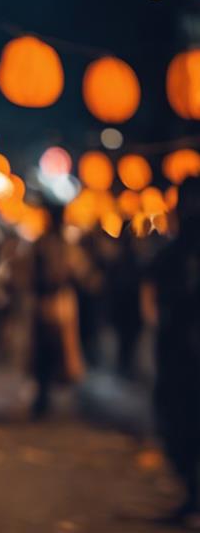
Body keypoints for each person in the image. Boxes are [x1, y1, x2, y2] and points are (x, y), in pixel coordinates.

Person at [145, 176, 200, 527]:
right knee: (178, 424)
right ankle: (192, 494)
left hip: (182, 352)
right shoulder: (170, 254)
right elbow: (151, 295)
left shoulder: (175, 253)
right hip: (178, 352)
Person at [29, 207, 87, 419]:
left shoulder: (66, 246)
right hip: (47, 302)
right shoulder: (44, 245)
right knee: (45, 348)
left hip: (60, 302)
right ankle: (44, 392)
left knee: (57, 347)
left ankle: (49, 389)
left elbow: (79, 272)